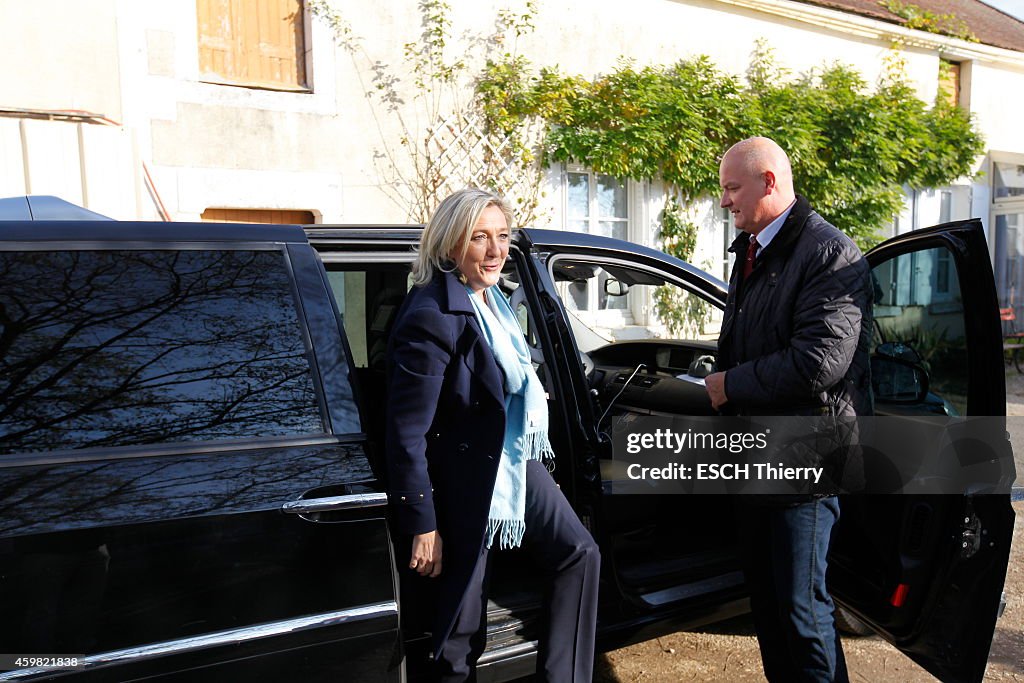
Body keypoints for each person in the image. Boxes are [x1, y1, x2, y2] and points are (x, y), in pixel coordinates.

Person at [385, 188, 600, 682]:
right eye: (478, 237)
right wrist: (423, 521)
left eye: (502, 237)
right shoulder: (432, 316)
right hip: (463, 480)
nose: (495, 250)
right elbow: (406, 432)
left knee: (580, 552)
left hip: (512, 461)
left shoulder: (496, 302)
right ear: (450, 245)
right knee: (461, 633)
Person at [705, 137, 872, 682]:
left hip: (805, 462)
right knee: (769, 609)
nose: (725, 200)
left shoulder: (830, 253)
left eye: (733, 188)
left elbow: (819, 362)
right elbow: (747, 342)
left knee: (802, 613)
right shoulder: (752, 249)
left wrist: (730, 384)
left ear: (769, 182)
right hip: (754, 455)